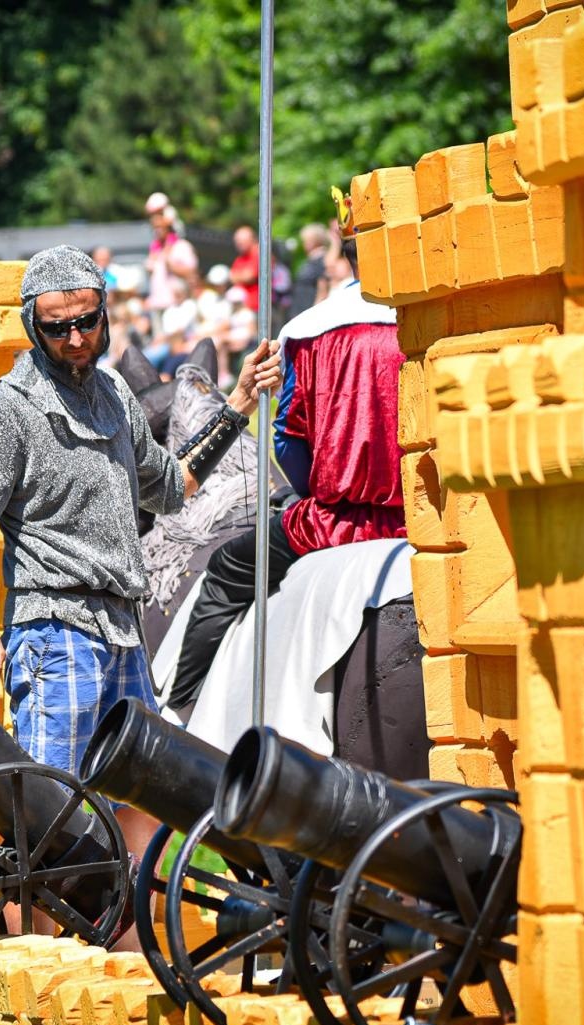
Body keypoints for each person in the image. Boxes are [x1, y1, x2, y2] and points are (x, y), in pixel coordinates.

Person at [0, 245, 280, 868]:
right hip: (54, 631)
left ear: (105, 316)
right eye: (57, 327)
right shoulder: (8, 410)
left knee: (144, 806)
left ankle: (124, 944)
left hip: (124, 631)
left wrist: (238, 406)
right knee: (51, 816)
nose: (74, 338)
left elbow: (170, 488)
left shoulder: (116, 393)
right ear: (32, 327)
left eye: (87, 321)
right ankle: (45, 956)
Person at [168, 187, 406, 708]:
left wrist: (316, 487)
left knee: (226, 571)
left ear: (345, 252)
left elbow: (290, 445)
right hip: (433, 521)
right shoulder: (439, 312)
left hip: (338, 522)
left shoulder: (306, 329)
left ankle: (182, 707)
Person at [143, 193, 198, 313]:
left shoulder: (181, 246)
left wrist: (171, 265)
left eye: (160, 227)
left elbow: (191, 273)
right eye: (155, 227)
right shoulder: (155, 249)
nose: (157, 231)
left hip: (176, 306)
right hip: (158, 305)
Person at [292, 223, 331, 312]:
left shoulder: (321, 260)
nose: (304, 244)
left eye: (305, 241)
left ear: (313, 241)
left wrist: (314, 312)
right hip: (302, 308)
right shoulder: (312, 259)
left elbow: (323, 290)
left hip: (310, 310)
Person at [229, 225, 261, 313]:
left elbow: (250, 276)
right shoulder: (240, 259)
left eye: (242, 241)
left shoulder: (259, 254)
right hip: (243, 307)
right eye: (237, 241)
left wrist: (239, 276)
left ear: (252, 240)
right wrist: (242, 276)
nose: (238, 244)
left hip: (256, 308)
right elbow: (232, 277)